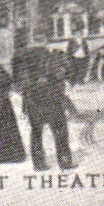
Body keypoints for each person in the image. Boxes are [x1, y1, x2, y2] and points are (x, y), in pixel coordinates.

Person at [14, 42, 75, 170]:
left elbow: (19, 84)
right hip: (52, 100)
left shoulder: (22, 58)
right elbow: (63, 74)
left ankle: (38, 164)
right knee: (60, 131)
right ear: (46, 40)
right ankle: (65, 162)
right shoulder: (53, 55)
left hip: (33, 102)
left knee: (36, 133)